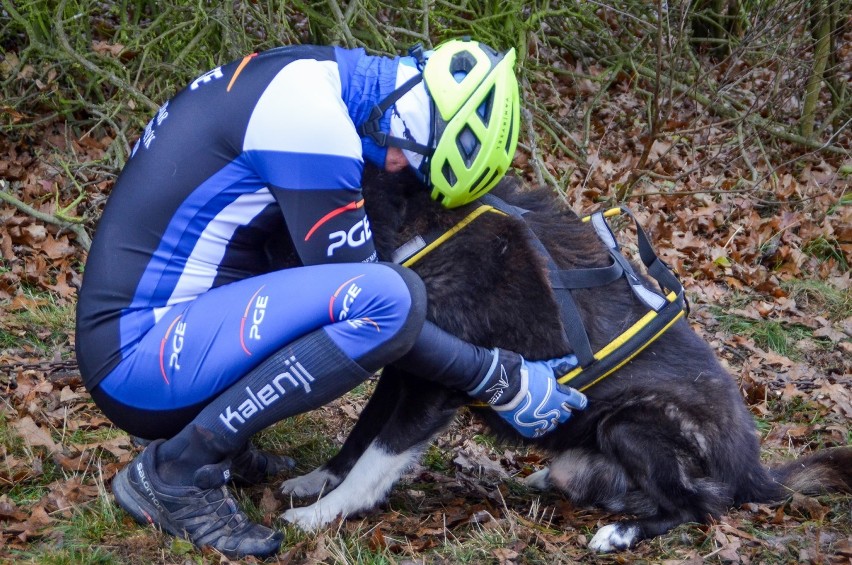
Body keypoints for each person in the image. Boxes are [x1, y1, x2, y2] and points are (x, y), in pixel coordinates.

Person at [75, 38, 587, 559]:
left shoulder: (315, 77)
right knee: (389, 297)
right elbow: (381, 312)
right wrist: (500, 378)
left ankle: (220, 439)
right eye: (409, 158)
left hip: (150, 332)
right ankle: (175, 472)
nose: (394, 169)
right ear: (410, 107)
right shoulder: (315, 128)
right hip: (138, 364)